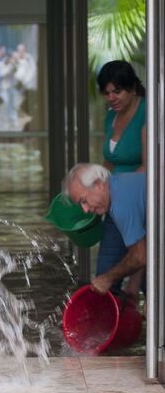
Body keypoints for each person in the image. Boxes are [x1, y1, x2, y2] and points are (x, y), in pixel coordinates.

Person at [96, 60, 146, 301]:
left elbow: (150, 166)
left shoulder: (147, 114)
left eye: (117, 91)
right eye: (107, 93)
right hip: (114, 202)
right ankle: (112, 329)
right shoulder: (111, 118)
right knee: (104, 273)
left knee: (142, 269)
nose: (111, 98)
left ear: (133, 88)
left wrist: (117, 191)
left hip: (138, 199)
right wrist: (93, 186)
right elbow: (110, 160)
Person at [63, 163, 146, 299]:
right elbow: (146, 247)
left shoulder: (120, 204)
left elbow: (139, 256)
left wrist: (108, 278)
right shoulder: (119, 185)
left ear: (98, 184)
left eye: (84, 200)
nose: (85, 209)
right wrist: (133, 286)